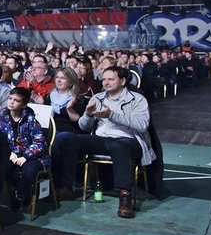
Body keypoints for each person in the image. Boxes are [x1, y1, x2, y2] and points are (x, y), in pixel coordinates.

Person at [53, 66, 153, 218]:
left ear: (123, 80)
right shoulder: (97, 98)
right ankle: (67, 186)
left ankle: (125, 195)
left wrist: (111, 115)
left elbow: (142, 125)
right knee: (66, 138)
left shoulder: (137, 99)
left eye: (110, 79)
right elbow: (83, 127)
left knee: (119, 145)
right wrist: (87, 114)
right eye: (104, 79)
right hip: (101, 139)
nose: (106, 82)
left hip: (128, 141)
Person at [0, 87, 49, 212]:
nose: (11, 102)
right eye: (10, 99)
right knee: (0, 168)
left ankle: (18, 195)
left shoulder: (30, 120)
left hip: (33, 156)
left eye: (17, 100)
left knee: (29, 171)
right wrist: (9, 154)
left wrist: (25, 156)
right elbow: (0, 141)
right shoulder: (2, 119)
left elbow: (40, 143)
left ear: (24, 104)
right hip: (12, 155)